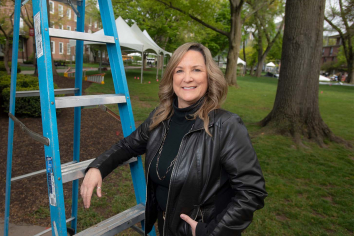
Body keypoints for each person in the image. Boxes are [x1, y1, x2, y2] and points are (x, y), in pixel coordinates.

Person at [81, 42, 267, 236]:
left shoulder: (225, 125)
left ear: (209, 76)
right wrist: (98, 167)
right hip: (166, 227)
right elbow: (128, 145)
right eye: (179, 71)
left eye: (196, 69)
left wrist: (210, 232)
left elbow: (252, 192)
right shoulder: (160, 117)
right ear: (172, 77)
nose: (187, 78)